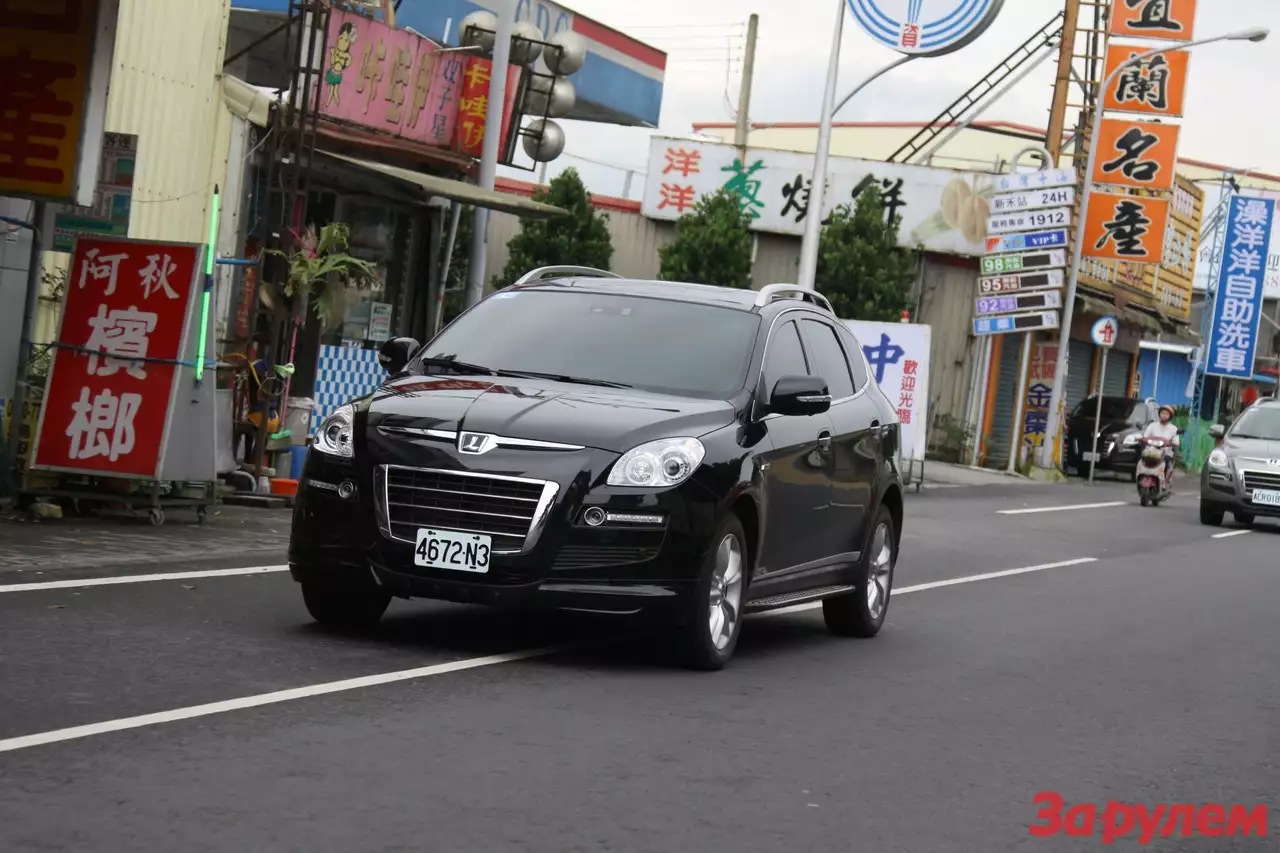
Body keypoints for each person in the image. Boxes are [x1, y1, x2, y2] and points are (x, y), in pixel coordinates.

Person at [1143, 404, 1180, 483]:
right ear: (1159, 414)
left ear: (1170, 416)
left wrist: (1173, 443)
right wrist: (1142, 439)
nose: (1164, 415)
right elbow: (1145, 436)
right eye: (1162, 413)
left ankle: (1165, 481)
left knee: (1166, 463)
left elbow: (1176, 441)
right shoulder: (1152, 425)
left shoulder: (1173, 429)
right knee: (1142, 460)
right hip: (1150, 451)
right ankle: (1142, 475)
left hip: (1165, 453)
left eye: (1166, 414)